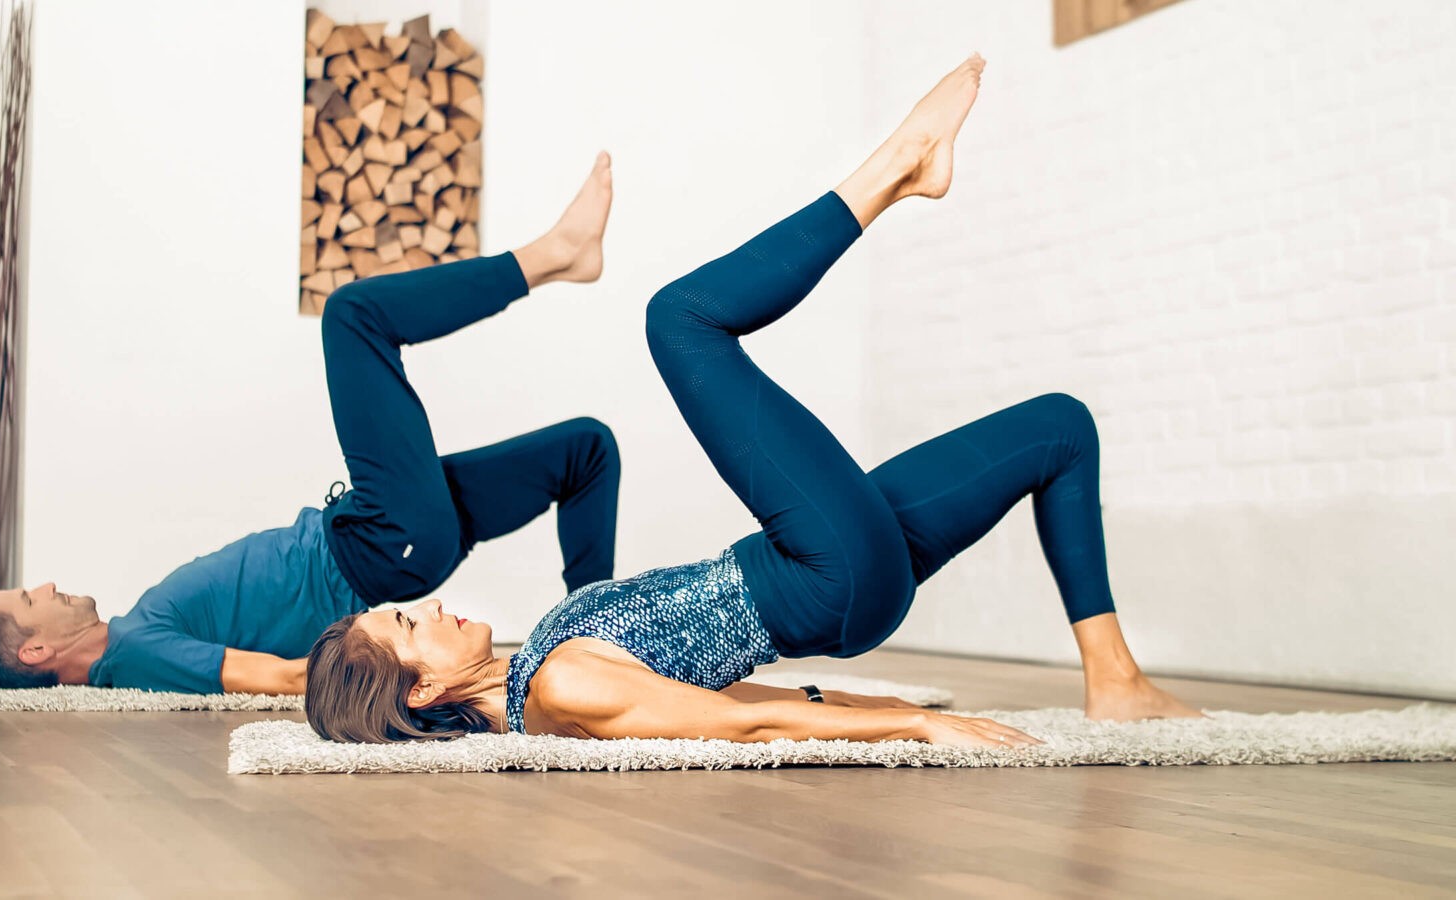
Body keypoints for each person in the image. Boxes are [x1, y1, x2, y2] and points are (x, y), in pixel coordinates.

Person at [304, 54, 1205, 748]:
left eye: (406, 606)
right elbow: (746, 729)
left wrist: (869, 700)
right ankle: (895, 168)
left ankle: (1114, 679)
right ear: (421, 690)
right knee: (679, 321)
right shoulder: (559, 691)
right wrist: (914, 727)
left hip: (824, 571)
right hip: (822, 573)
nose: (429, 604)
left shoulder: (538, 673)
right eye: (410, 626)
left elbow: (747, 698)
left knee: (1058, 429)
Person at [0, 157, 625, 695]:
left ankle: (588, 646)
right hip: (379, 548)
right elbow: (280, 679)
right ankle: (553, 254)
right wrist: (451, 681)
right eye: (26, 600)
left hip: (379, 530)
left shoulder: (135, 632)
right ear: (35, 650)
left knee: (586, 450)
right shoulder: (134, 654)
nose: (42, 586)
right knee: (353, 316)